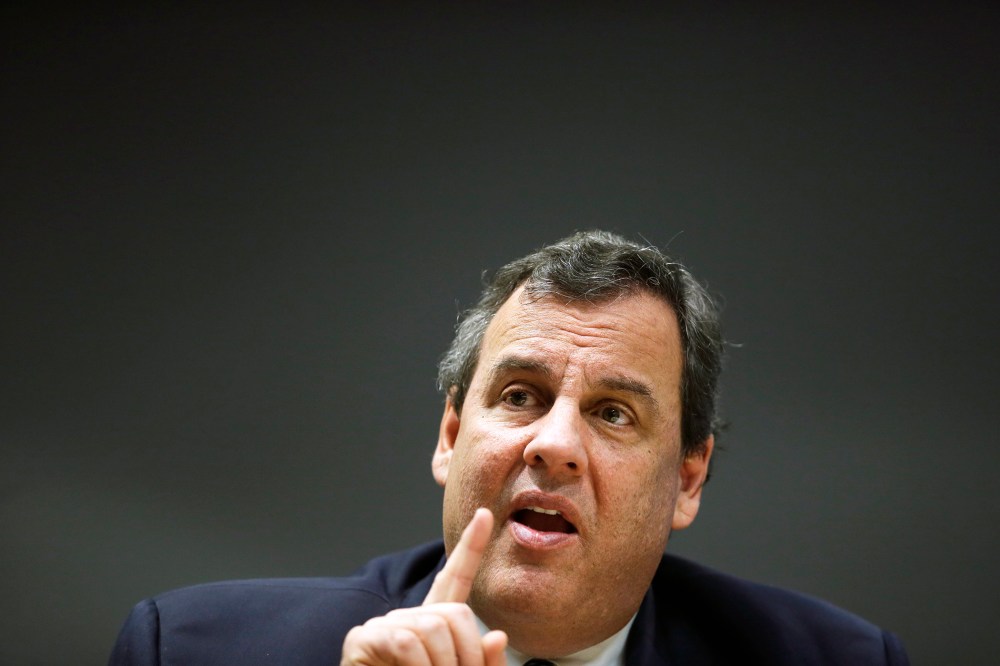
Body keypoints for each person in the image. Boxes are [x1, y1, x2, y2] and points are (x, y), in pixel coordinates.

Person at [109, 231, 909, 665]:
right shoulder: (188, 650)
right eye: (520, 397)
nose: (554, 445)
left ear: (688, 480)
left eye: (614, 413)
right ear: (451, 436)